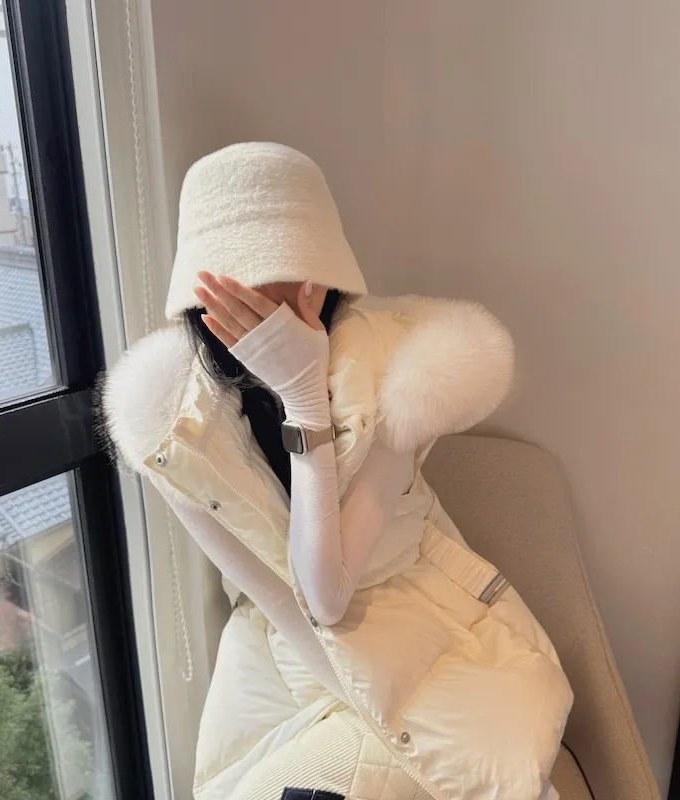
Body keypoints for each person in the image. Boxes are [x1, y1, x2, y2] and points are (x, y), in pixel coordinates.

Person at [104, 142, 572, 800]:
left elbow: (329, 593)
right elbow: (288, 602)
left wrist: (304, 398)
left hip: (413, 608)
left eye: (287, 281)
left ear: (320, 281)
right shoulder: (171, 423)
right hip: (284, 642)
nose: (258, 316)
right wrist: (365, 712)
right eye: (232, 298)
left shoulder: (400, 371)